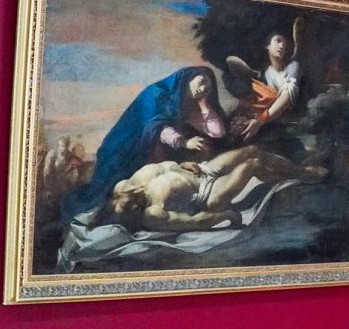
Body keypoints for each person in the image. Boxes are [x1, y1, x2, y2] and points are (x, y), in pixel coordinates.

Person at [62, 66, 229, 221]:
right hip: (124, 147)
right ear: (188, 78)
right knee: (111, 193)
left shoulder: (189, 103)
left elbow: (217, 132)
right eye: (201, 82)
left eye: (208, 88)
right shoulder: (156, 94)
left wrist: (204, 105)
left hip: (153, 151)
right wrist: (184, 142)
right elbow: (156, 127)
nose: (203, 89)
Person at [92, 145, 327, 233]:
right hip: (208, 195)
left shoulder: (125, 185)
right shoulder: (152, 214)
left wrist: (181, 164)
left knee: (252, 150)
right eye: (130, 212)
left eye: (125, 205)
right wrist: (225, 215)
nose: (132, 205)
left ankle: (301, 172)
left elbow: (165, 168)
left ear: (116, 198)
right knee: (252, 165)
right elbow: (193, 222)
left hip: (202, 171)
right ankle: (304, 176)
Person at [227, 17, 304, 142]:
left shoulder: (293, 66)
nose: (282, 45)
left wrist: (261, 119)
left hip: (281, 122)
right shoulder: (264, 73)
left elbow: (286, 96)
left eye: (285, 43)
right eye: (278, 41)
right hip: (259, 120)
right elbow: (231, 60)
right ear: (267, 46)